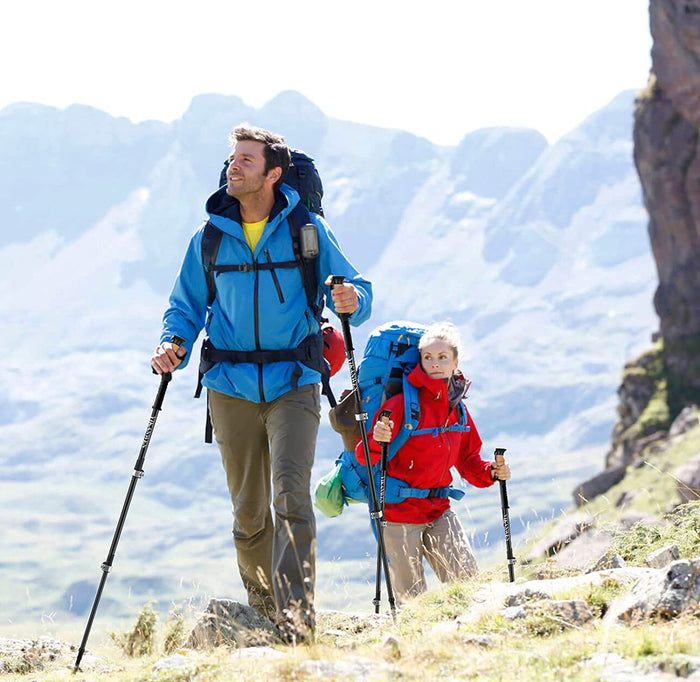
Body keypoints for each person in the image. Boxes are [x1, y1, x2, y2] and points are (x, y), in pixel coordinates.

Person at [151, 125, 372, 636]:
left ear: (273, 173)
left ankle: (298, 618)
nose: (234, 166)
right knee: (249, 513)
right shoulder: (208, 237)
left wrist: (353, 302)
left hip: (293, 379)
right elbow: (184, 307)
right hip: (229, 386)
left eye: (246, 160)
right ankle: (263, 608)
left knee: (290, 497)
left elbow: (356, 287)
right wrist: (172, 346)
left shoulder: (307, 231)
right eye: (232, 158)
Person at [356, 322, 511, 604]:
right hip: (397, 514)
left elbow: (469, 461)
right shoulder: (402, 404)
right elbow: (364, 454)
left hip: (439, 509)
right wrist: (377, 439)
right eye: (428, 357)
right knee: (411, 603)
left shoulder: (458, 410)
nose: (435, 364)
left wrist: (492, 472)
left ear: (455, 362)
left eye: (442, 357)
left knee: (468, 588)